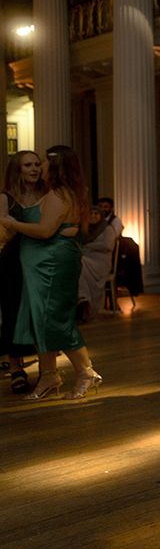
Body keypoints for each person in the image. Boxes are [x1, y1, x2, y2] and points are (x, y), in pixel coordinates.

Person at [0, 146, 103, 401]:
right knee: (40, 319)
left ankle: (86, 372)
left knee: (55, 318)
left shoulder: (57, 195)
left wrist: (13, 223)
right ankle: (48, 374)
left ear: (54, 167)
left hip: (51, 265)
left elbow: (46, 230)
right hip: (36, 265)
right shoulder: (52, 193)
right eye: (31, 164)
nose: (39, 167)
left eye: (43, 162)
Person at [0, 151, 46, 393]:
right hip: (14, 261)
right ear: (17, 169)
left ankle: (45, 368)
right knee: (13, 309)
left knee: (39, 312)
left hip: (40, 259)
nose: (34, 168)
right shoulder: (6, 198)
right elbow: (3, 233)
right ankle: (16, 367)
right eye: (28, 165)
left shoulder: (47, 194)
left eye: (37, 164)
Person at [77, 205, 121, 320]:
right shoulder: (85, 229)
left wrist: (88, 246)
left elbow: (107, 245)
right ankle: (81, 299)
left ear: (101, 216)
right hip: (86, 258)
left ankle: (83, 297)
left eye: (96, 214)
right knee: (77, 263)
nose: (93, 216)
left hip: (100, 262)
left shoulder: (107, 228)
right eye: (90, 214)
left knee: (80, 262)